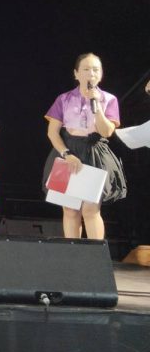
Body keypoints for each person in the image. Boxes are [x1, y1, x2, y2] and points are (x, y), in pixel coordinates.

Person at [43, 53, 127, 239]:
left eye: (96, 70)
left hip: (94, 151)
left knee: (91, 209)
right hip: (67, 151)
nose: (91, 74)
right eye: (86, 69)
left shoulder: (109, 99)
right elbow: (52, 132)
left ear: (101, 74)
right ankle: (73, 252)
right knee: (70, 209)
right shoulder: (63, 99)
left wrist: (96, 105)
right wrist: (66, 154)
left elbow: (107, 131)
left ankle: (95, 252)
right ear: (76, 73)